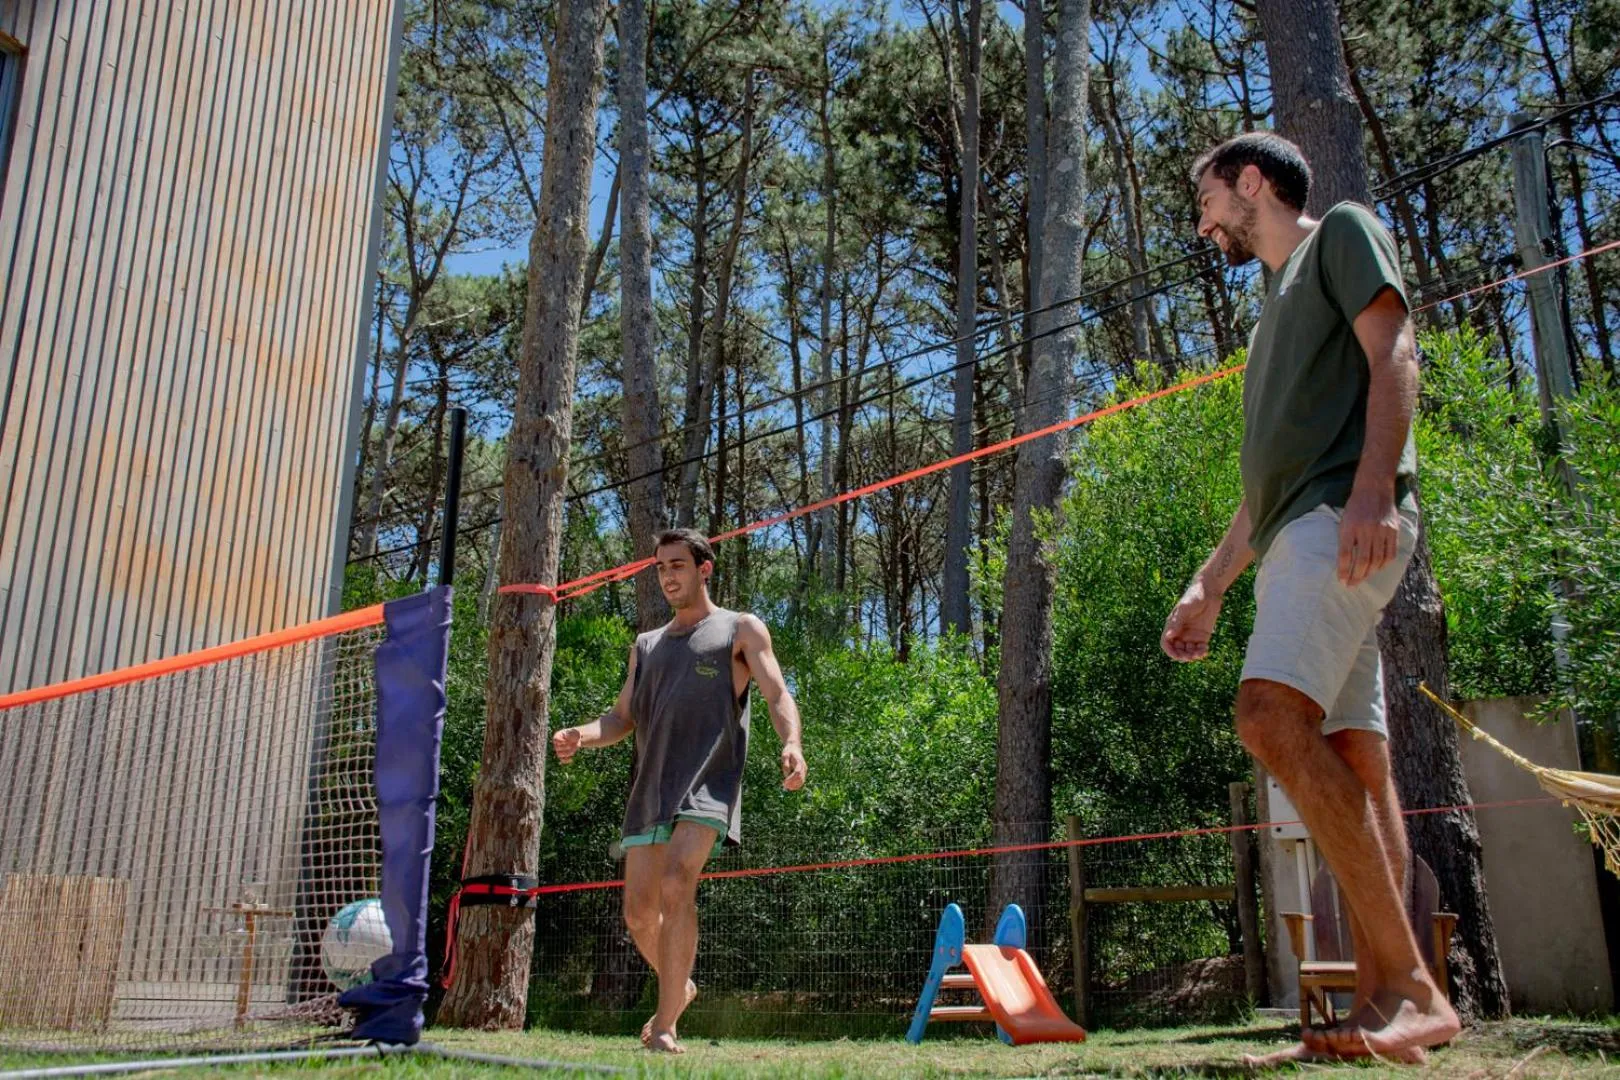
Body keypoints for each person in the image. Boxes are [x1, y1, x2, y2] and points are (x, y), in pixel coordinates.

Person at [1161, 132, 1460, 1065]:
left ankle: (1412, 987)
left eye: (1207, 199)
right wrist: (1210, 585)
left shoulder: (1340, 234)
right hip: (1302, 524)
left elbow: (1395, 347)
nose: (1204, 221)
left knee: (1266, 717)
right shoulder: (1267, 321)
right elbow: (1263, 489)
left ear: (1252, 182)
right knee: (1359, 764)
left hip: (1340, 519)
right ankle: (1388, 1011)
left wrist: (1375, 487)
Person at [551, 528, 807, 1054]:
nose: (668, 576)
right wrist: (583, 734)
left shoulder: (738, 628)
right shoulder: (645, 646)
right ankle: (680, 985)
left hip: (708, 784)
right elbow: (621, 718)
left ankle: (666, 1024)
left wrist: (793, 743)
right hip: (651, 790)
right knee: (639, 913)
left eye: (677, 566)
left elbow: (777, 691)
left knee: (677, 881)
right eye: (661, 567)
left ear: (703, 569)